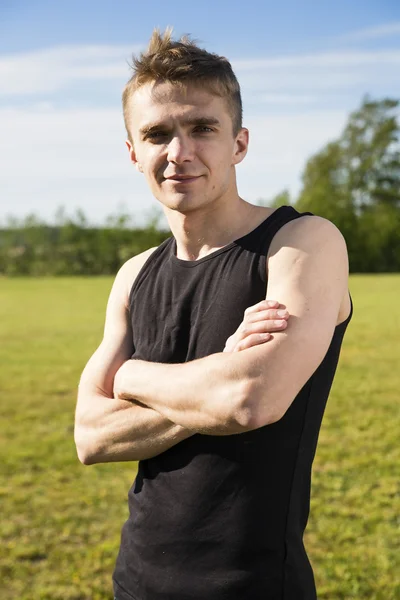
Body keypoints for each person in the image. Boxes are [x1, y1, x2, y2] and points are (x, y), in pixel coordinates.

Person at [74, 28, 353, 600]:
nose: (180, 153)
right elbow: (90, 436)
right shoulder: (133, 275)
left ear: (239, 143)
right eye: (156, 134)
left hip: (251, 585)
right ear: (134, 153)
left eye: (202, 127)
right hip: (135, 580)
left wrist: (130, 379)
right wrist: (218, 370)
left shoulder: (301, 244)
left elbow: (250, 400)